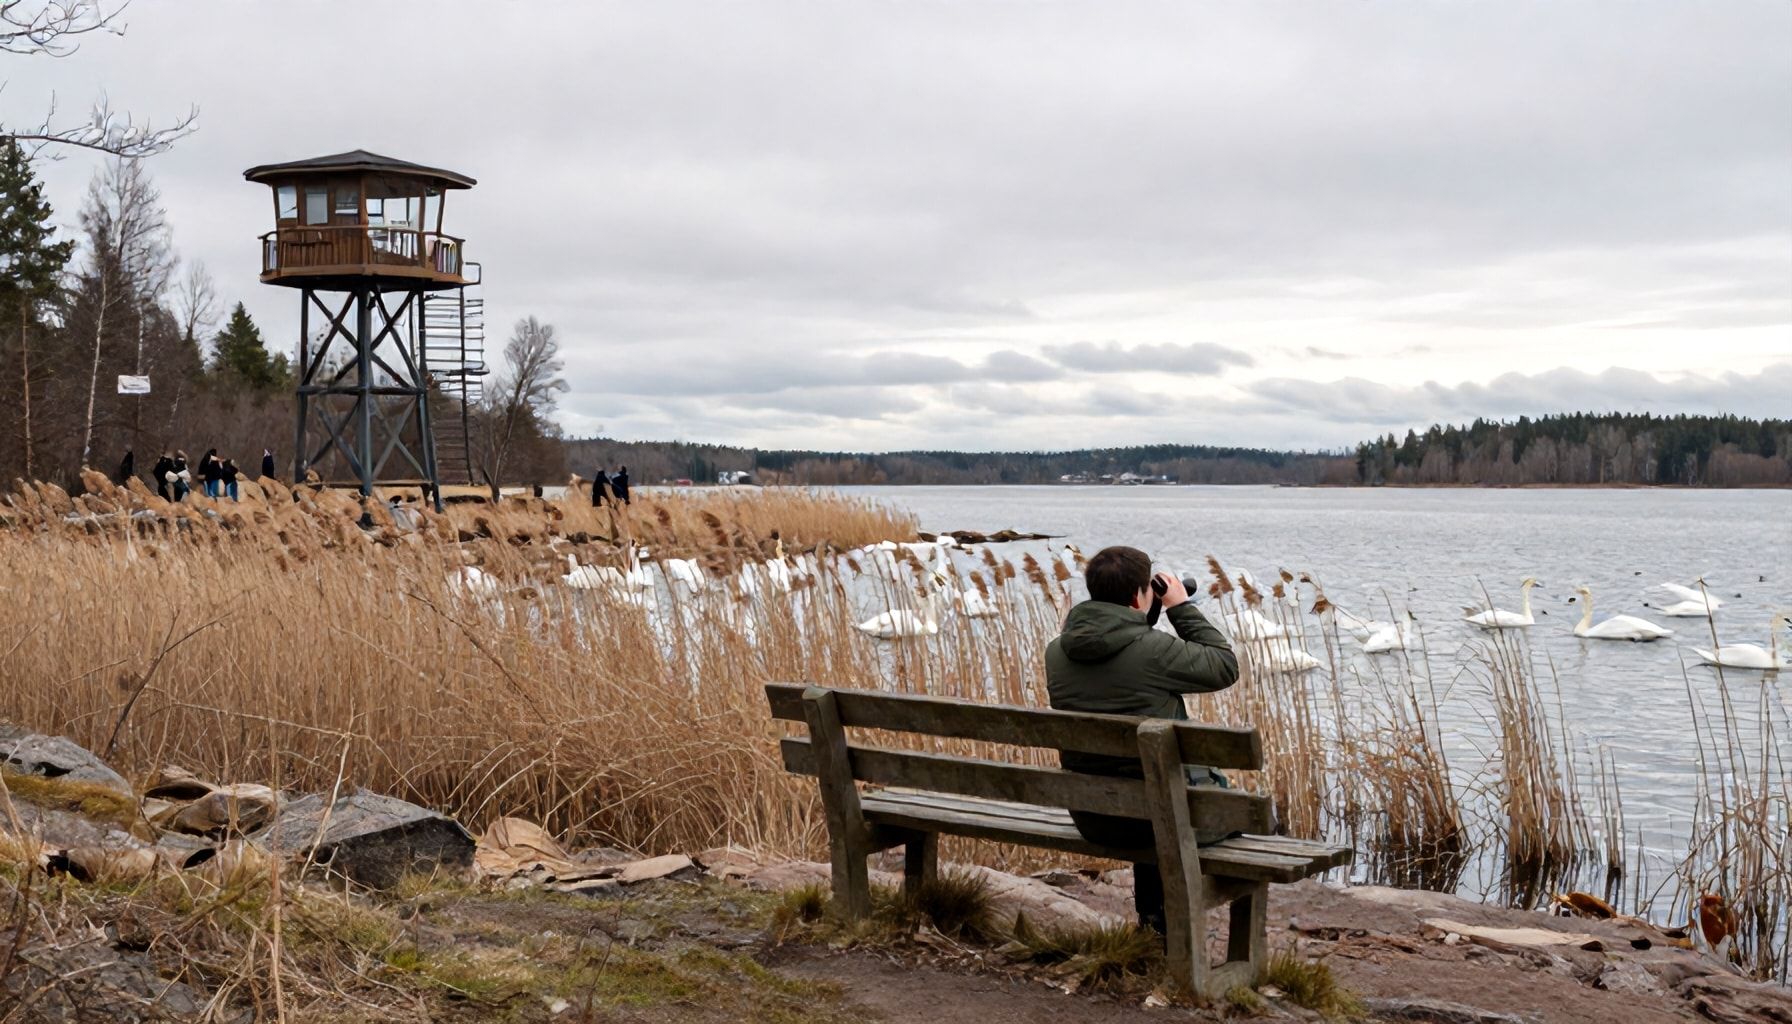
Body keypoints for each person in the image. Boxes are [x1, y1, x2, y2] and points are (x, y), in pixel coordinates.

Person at [1043, 545, 1239, 936]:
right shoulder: (1153, 651)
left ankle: (1152, 927)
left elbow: (1121, 653)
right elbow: (1224, 665)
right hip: (1157, 818)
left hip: (1094, 817)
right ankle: (1170, 930)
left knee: (1150, 798)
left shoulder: (1057, 653)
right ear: (1138, 595)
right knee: (1209, 811)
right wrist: (1179, 608)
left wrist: (1143, 618)